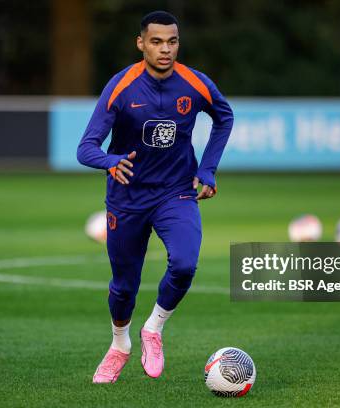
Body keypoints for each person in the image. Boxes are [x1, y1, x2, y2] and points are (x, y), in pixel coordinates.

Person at [77, 10, 233, 383]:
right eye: (157, 41)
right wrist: (109, 160)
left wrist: (207, 168)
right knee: (124, 286)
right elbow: (85, 148)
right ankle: (119, 345)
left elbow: (224, 116)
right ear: (141, 43)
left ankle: (154, 328)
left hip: (176, 193)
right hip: (127, 198)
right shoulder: (122, 86)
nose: (165, 49)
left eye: (172, 41)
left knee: (183, 264)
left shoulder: (195, 83)